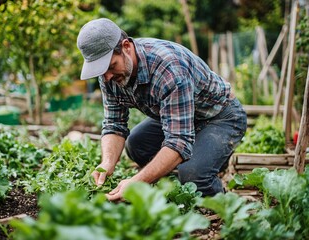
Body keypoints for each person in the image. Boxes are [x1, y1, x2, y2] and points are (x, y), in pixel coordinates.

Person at [77, 18, 247, 201]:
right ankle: (186, 170)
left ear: (126, 47)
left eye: (111, 67)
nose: (107, 77)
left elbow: (178, 140)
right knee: (136, 145)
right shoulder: (108, 76)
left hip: (220, 116)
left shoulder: (168, 68)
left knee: (193, 176)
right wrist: (107, 164)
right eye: (102, 71)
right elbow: (114, 124)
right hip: (181, 117)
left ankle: (218, 193)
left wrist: (137, 181)